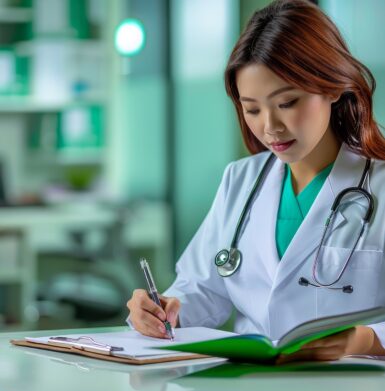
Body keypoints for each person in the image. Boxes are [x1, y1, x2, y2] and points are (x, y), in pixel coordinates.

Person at [127, 0, 385, 362]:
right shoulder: (241, 180)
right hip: (251, 389)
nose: (269, 127)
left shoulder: (380, 185)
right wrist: (163, 310)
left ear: (331, 88)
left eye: (287, 102)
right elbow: (203, 290)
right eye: (252, 109)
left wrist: (367, 340)